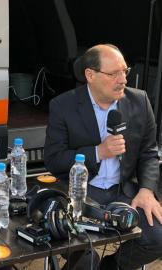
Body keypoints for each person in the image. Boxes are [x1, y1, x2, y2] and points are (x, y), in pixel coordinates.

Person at [44, 44, 162, 270]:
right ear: (90, 75)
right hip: (79, 194)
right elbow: (53, 159)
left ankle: (110, 267)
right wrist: (98, 152)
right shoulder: (63, 105)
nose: (123, 80)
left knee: (157, 239)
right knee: (83, 255)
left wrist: (147, 190)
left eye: (124, 71)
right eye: (113, 74)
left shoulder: (139, 101)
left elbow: (148, 153)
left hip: (123, 193)